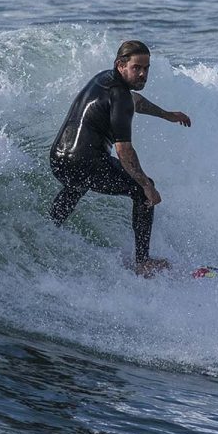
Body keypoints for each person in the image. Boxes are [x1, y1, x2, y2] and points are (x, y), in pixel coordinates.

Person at [49, 40, 191, 276]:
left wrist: (166, 115)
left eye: (146, 68)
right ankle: (143, 262)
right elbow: (124, 151)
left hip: (59, 159)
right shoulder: (120, 95)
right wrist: (147, 186)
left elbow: (135, 101)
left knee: (77, 183)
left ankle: (50, 226)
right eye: (137, 68)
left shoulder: (104, 79)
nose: (143, 74)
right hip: (85, 162)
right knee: (141, 190)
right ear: (121, 65)